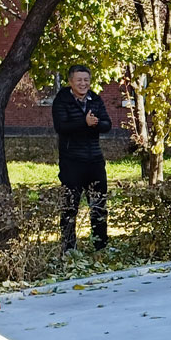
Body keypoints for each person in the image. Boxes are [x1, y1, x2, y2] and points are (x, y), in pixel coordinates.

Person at [52, 63, 112, 251]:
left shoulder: (95, 99)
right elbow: (61, 127)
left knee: (99, 205)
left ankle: (101, 246)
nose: (83, 83)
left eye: (86, 80)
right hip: (72, 161)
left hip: (94, 159)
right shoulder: (62, 100)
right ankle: (69, 249)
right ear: (70, 81)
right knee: (70, 207)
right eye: (79, 80)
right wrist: (84, 123)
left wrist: (96, 123)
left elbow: (107, 124)